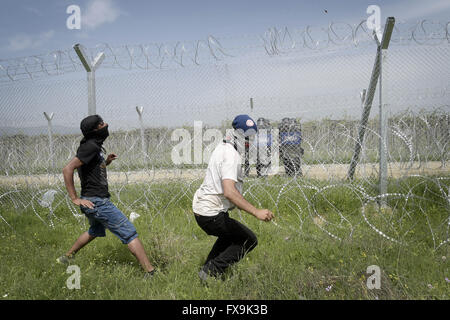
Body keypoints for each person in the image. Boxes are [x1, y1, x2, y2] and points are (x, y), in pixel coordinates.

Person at [57, 115, 156, 278]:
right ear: (95, 130)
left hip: (92, 200)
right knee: (129, 232)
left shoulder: (92, 146)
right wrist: (75, 199)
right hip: (97, 202)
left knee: (95, 230)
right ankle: (150, 272)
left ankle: (67, 257)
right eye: (101, 124)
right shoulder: (90, 147)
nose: (106, 124)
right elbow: (67, 169)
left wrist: (106, 162)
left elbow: (91, 169)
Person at [192, 114, 274, 281]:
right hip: (211, 213)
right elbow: (229, 191)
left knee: (229, 236)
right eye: (246, 137)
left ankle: (207, 269)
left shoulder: (224, 147)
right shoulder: (231, 155)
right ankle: (211, 271)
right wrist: (256, 212)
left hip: (204, 210)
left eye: (251, 137)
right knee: (248, 239)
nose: (249, 141)